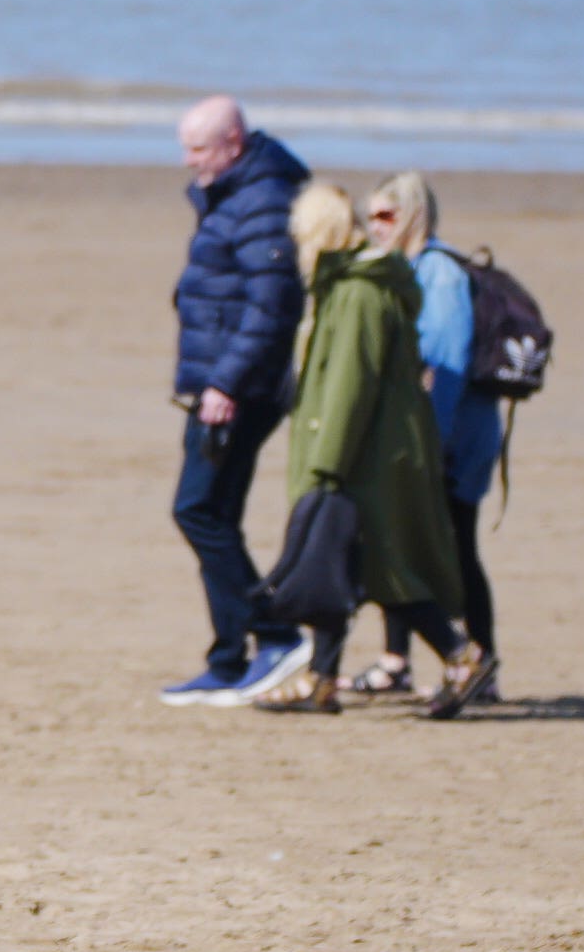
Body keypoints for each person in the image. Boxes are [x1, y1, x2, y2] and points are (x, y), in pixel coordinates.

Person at [241, 185, 488, 714]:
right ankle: (321, 679)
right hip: (365, 453)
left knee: (383, 566)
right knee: (333, 569)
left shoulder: (358, 292)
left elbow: (350, 386)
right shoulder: (353, 285)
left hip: (361, 459)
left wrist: (325, 465)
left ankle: (460, 653)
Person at [163, 95, 313, 700]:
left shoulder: (264, 198)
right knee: (213, 515)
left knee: (196, 510)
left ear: (234, 143)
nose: (188, 161)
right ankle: (228, 658)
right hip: (213, 385)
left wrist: (225, 382)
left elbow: (273, 306)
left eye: (197, 149)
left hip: (241, 389)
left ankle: (275, 635)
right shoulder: (231, 192)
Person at [344, 173, 504, 712]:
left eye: (386, 216)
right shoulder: (402, 269)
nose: (374, 227)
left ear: (414, 215)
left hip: (456, 438)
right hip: (420, 435)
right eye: (370, 217)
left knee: (457, 545)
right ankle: (395, 663)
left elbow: (447, 366)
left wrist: (428, 443)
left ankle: (485, 664)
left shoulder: (439, 272)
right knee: (398, 537)